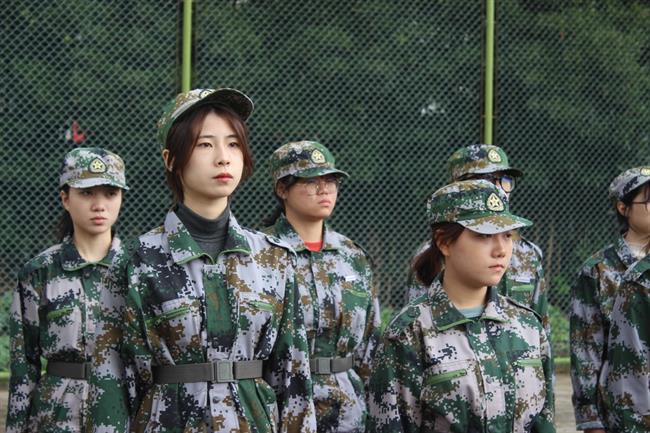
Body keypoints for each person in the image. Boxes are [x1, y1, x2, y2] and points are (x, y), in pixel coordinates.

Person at [121, 88, 316, 433]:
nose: (223, 158)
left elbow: (293, 376)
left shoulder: (274, 259)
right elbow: (115, 382)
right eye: (204, 145)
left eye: (233, 144)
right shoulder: (138, 260)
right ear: (170, 159)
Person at [368, 179, 555, 433]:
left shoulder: (527, 326)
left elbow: (544, 421)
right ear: (444, 242)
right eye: (484, 235)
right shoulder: (409, 333)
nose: (501, 250)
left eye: (507, 235)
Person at [6, 147, 129, 433]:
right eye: (87, 193)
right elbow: (24, 364)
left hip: (121, 412)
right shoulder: (40, 271)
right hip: (56, 415)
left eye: (110, 193)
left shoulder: (138, 270)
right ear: (65, 198)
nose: (100, 205)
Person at [263, 141, 381, 432]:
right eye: (311, 181)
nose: (324, 189)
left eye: (330, 181)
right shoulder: (262, 254)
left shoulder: (353, 256)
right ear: (282, 189)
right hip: (283, 406)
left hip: (348, 410)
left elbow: (371, 343)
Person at [406, 144, 549, 332]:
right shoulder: (434, 255)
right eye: (485, 179)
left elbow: (541, 327)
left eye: (505, 180)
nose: (498, 189)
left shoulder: (528, 254)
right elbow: (416, 323)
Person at [570, 166, 650, 432]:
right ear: (623, 207)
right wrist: (590, 419)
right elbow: (585, 348)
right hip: (624, 415)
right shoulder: (598, 270)